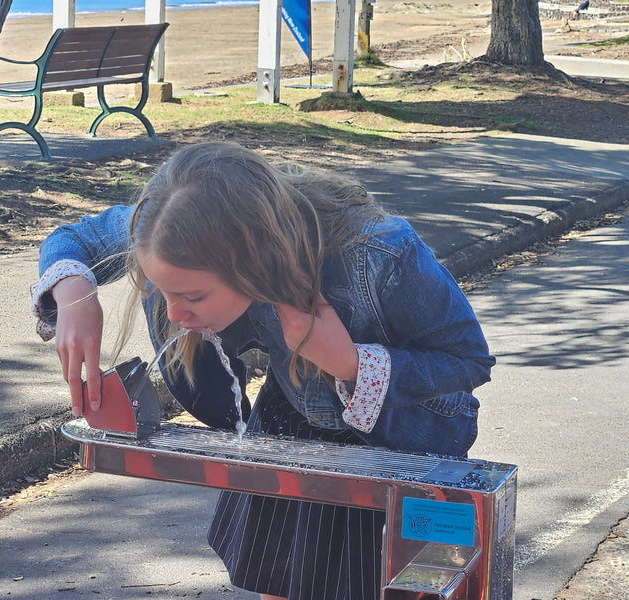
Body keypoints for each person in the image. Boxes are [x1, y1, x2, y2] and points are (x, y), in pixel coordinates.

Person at [31, 142, 495, 600]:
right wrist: (74, 292)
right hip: (293, 414)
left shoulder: (379, 252)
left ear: (254, 264)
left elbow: (469, 360)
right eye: (160, 290)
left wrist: (351, 364)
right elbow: (77, 238)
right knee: (282, 580)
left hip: (400, 439)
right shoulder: (169, 225)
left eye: (193, 297)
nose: (174, 315)